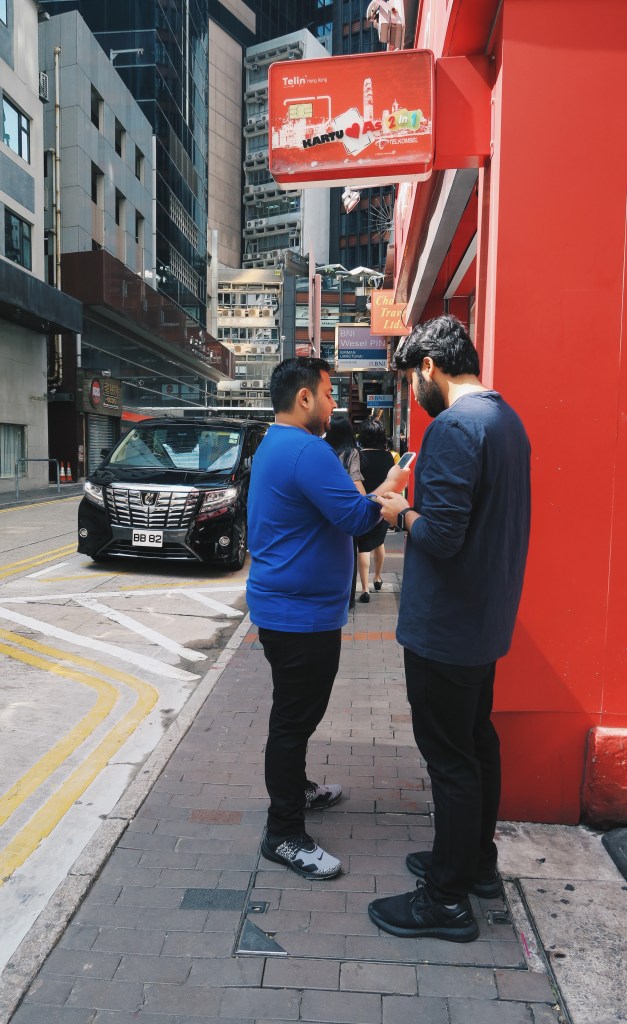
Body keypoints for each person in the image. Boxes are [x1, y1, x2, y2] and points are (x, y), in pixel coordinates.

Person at [368, 315, 531, 942]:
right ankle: (472, 863)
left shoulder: (456, 427)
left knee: (451, 759)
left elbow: (441, 533)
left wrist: (398, 508)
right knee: (476, 743)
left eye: (414, 376)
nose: (415, 390)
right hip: (483, 621)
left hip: (447, 627)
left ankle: (447, 900)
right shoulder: (505, 419)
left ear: (430, 367)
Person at [247, 357, 410, 880]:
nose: (333, 403)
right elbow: (359, 518)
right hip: (298, 617)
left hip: (289, 610)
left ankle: (296, 793)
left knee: (294, 716)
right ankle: (284, 833)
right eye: (327, 393)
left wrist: (376, 490)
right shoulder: (306, 451)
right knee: (293, 722)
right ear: (303, 399)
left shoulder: (275, 443)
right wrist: (393, 490)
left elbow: (340, 512)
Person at [324, 413, 365, 610]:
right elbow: (356, 482)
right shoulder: (351, 453)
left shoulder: (323, 449)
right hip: (347, 509)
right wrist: (367, 502)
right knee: (350, 554)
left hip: (325, 509)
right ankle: (347, 600)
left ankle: (329, 596)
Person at [356, 418, 395, 602]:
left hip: (363, 504)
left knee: (363, 547)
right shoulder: (388, 456)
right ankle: (377, 577)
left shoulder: (358, 456)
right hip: (383, 505)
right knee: (379, 542)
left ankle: (365, 590)